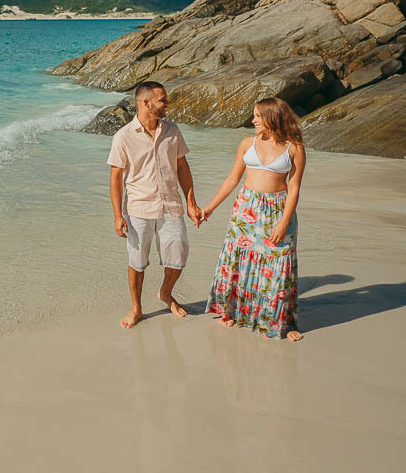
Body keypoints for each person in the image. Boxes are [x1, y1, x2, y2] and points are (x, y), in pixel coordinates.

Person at [200, 97, 305, 342]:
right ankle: (234, 311)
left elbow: (294, 188)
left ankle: (282, 322)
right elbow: (232, 179)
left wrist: (283, 222)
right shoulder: (247, 143)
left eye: (258, 116)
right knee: (240, 260)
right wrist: (210, 208)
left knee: (278, 264)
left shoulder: (294, 148)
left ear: (272, 117)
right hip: (247, 209)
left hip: (278, 210)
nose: (253, 120)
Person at [108, 81, 203, 329]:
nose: (167, 104)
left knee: (178, 256)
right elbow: (115, 178)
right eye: (163, 100)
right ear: (145, 102)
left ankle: (165, 293)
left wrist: (191, 202)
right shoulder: (123, 137)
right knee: (137, 262)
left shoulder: (173, 131)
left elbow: (182, 167)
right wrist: (117, 215)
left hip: (171, 205)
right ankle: (136, 308)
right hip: (138, 209)